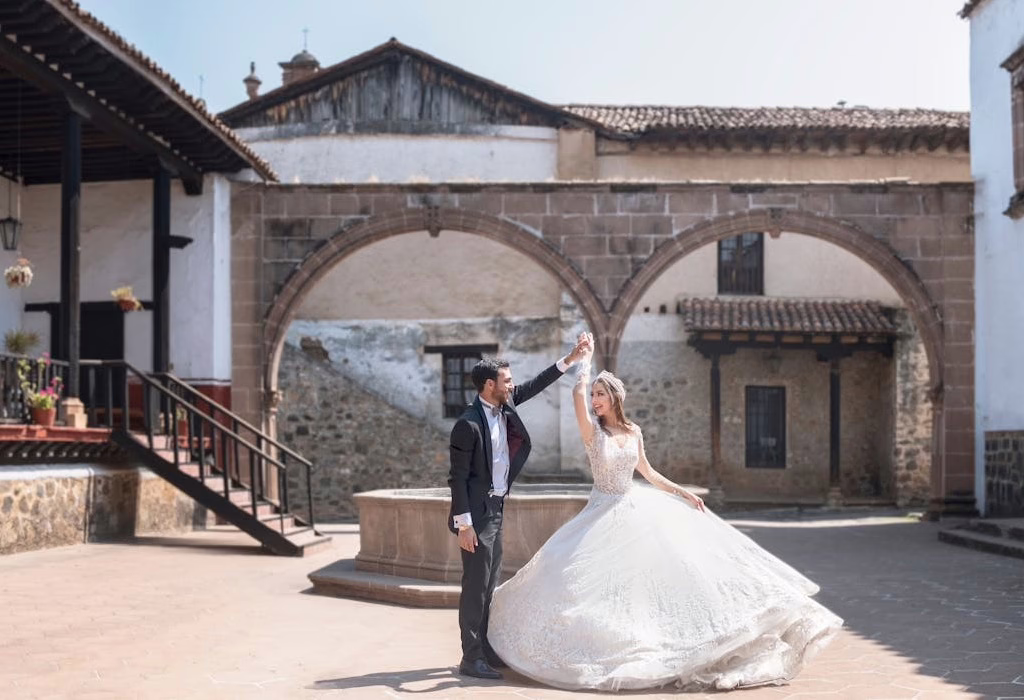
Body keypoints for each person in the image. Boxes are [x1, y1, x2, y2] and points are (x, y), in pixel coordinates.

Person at [486, 332, 843, 691]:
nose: (594, 400)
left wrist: (682, 492)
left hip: (633, 508)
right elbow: (577, 395)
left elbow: (649, 472)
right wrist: (585, 362)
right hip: (601, 512)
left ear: (615, 398)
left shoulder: (633, 431)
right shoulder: (593, 433)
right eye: (594, 394)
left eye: (600, 394)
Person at [448, 337, 590, 680]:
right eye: (507, 381)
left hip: (496, 509)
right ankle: (471, 657)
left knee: (490, 582)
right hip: (477, 516)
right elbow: (457, 479)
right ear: (489, 385)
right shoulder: (467, 425)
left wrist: (569, 359)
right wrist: (464, 526)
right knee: (475, 586)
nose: (512, 386)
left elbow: (536, 384)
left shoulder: (506, 404)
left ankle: (484, 646)